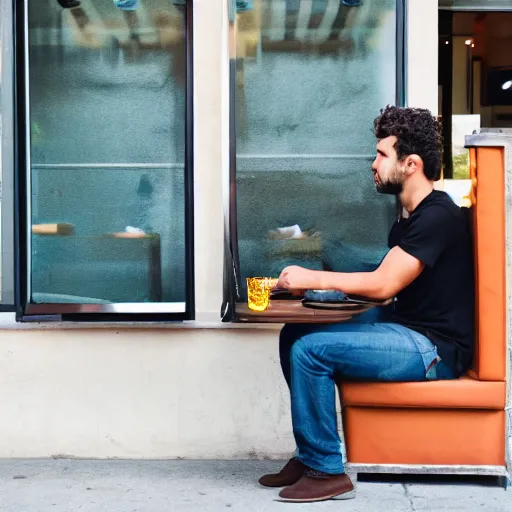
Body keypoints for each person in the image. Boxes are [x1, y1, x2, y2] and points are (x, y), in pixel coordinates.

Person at [258, 105, 475, 503]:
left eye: (380, 154)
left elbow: (383, 284)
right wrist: (312, 288)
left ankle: (326, 471)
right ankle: (311, 454)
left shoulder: (438, 216)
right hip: (407, 327)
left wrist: (311, 278)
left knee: (311, 351)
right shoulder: (411, 217)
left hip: (434, 348)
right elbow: (384, 279)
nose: (372, 163)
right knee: (296, 333)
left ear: (410, 164)